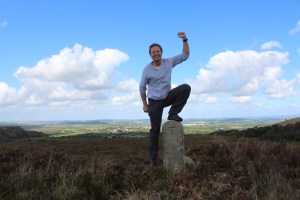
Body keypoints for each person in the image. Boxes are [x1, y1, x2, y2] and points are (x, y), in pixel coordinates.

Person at [139, 32, 191, 167]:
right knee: (154, 130)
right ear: (150, 55)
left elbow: (185, 55)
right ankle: (153, 160)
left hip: (167, 96)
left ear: (161, 52)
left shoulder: (169, 62)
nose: (155, 53)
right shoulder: (147, 69)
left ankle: (173, 113)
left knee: (186, 88)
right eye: (153, 52)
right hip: (154, 101)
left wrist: (184, 39)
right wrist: (145, 105)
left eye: (157, 51)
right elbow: (142, 88)